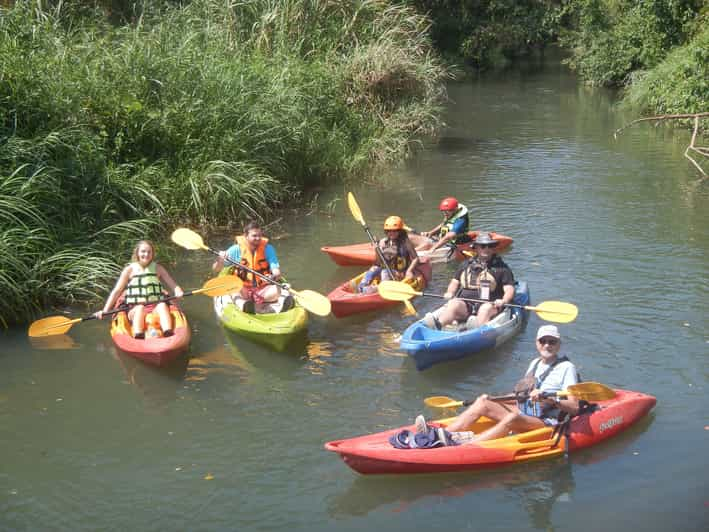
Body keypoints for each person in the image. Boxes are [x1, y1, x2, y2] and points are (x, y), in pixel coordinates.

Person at [416, 325, 580, 444]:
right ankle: (440, 436)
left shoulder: (567, 368)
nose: (547, 345)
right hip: (526, 411)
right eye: (543, 341)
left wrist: (552, 400)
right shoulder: (535, 363)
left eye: (552, 342)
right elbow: (520, 397)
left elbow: (574, 406)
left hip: (546, 421)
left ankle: (468, 446)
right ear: (537, 343)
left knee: (512, 417)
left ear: (559, 345)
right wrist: (495, 399)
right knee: (483, 402)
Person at [422, 232, 514, 330]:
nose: (486, 249)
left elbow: (509, 289)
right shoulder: (465, 264)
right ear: (476, 248)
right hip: (466, 304)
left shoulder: (501, 268)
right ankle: (438, 324)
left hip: (490, 305)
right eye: (483, 246)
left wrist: (504, 300)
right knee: (454, 303)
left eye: (489, 246)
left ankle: (477, 328)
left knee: (485, 309)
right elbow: (455, 282)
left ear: (493, 248)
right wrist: (450, 292)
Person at [95, 240, 183, 338]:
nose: (146, 254)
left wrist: (178, 291)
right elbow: (117, 291)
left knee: (162, 305)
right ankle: (138, 335)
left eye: (149, 252)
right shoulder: (129, 270)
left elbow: (173, 284)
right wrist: (105, 310)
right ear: (137, 252)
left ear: (153, 254)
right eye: (143, 251)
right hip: (135, 308)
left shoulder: (158, 268)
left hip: (155, 307)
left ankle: (168, 333)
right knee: (140, 308)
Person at [212, 220, 294, 314]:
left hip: (263, 289)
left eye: (259, 235)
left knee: (278, 289)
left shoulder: (268, 249)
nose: (258, 238)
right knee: (233, 288)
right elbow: (216, 269)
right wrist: (220, 259)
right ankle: (245, 305)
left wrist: (272, 277)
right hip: (243, 289)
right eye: (254, 235)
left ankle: (280, 305)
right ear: (246, 236)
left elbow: (277, 272)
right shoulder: (235, 250)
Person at [357, 216, 424, 294]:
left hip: (399, 273)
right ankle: (362, 286)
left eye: (394, 231)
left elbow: (416, 258)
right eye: (389, 231)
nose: (391, 233)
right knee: (374, 268)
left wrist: (409, 271)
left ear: (400, 231)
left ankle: (378, 289)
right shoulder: (383, 242)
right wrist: (376, 249)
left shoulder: (405, 242)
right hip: (387, 270)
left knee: (384, 272)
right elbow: (378, 263)